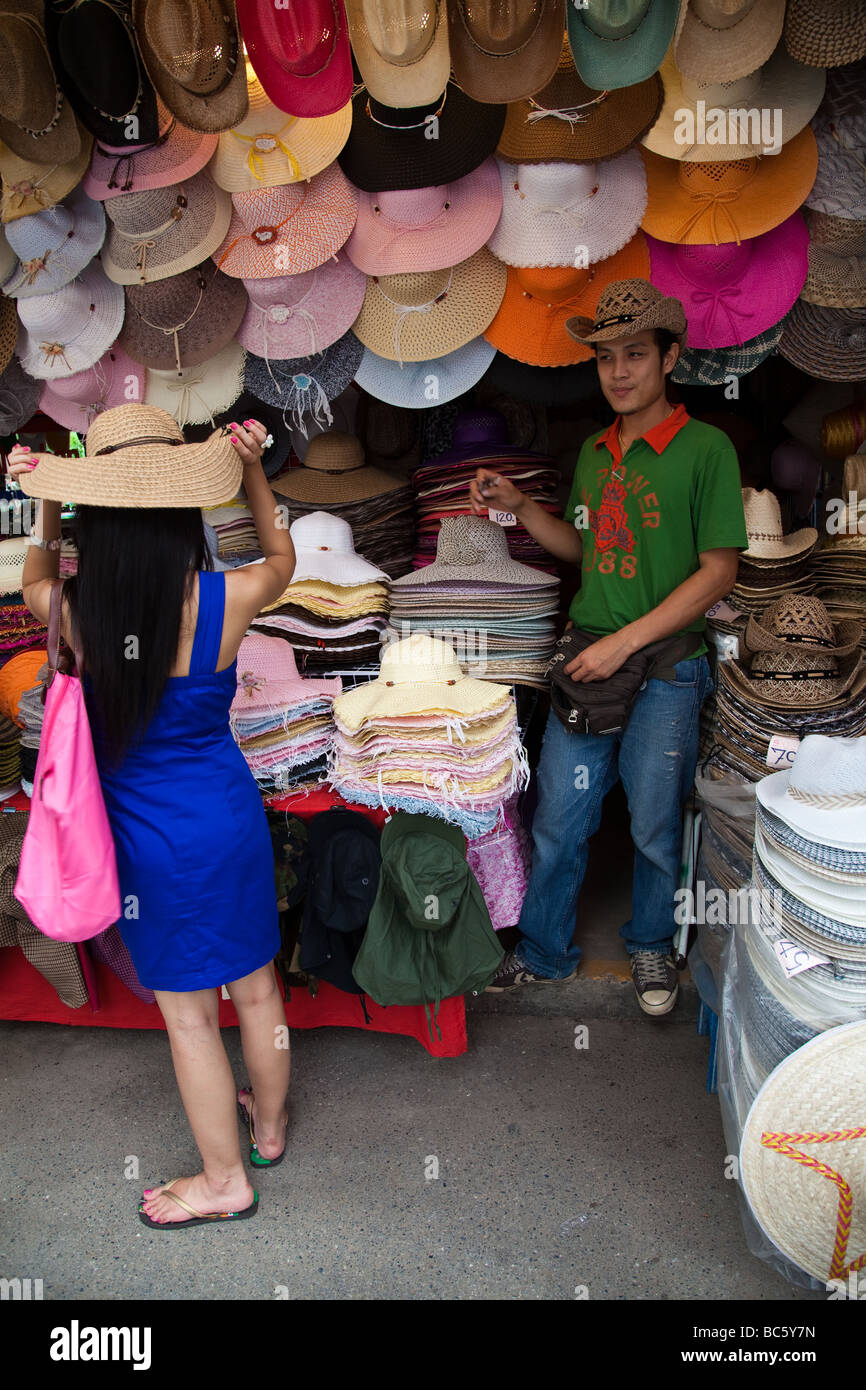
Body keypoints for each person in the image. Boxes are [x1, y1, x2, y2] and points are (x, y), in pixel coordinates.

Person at [12, 406, 296, 1227]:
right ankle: (268, 1133)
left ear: (95, 521)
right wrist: (247, 472)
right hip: (229, 817)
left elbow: (34, 575)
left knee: (187, 1013)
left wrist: (51, 505)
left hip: (150, 842)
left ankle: (223, 1181)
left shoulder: (72, 614)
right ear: (181, 515)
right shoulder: (228, 596)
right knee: (258, 986)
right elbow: (280, 554)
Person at [469, 279, 748, 1016]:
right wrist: (523, 508)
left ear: (671, 358)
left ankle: (652, 946)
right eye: (605, 359)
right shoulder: (595, 453)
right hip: (591, 662)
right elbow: (583, 550)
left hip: (664, 667)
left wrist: (626, 641)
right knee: (560, 818)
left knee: (654, 825)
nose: (618, 371)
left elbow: (719, 570)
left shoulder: (706, 449)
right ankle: (545, 951)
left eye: (634, 355)